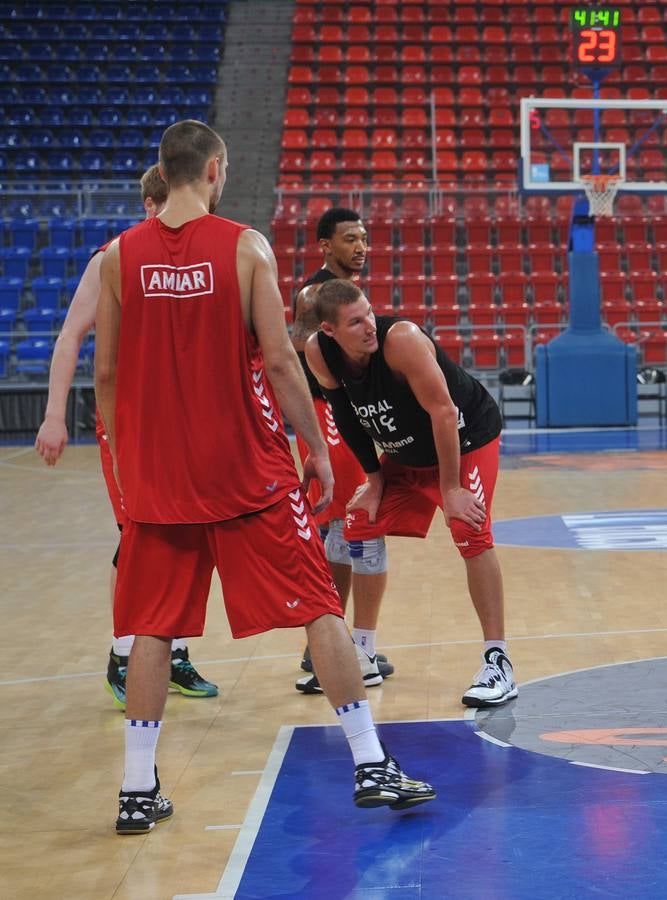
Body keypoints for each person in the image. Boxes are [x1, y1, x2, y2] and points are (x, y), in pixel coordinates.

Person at [94, 120, 434, 835]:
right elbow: (281, 361)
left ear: (165, 172)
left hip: (158, 476)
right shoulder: (245, 246)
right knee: (317, 605)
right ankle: (371, 762)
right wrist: (313, 445)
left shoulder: (120, 257)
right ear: (214, 170)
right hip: (248, 471)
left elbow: (106, 373)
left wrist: (124, 462)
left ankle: (133, 788)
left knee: (152, 628)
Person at [35, 165, 217, 709]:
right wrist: (53, 415)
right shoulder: (113, 257)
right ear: (146, 206)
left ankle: (174, 650)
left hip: (187, 421)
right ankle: (122, 652)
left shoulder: (201, 255)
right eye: (159, 208)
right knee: (140, 538)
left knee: (191, 534)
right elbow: (70, 336)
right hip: (130, 422)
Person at [304, 279, 517, 708]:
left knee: (468, 527)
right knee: (358, 521)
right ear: (330, 331)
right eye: (355, 321)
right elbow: (346, 414)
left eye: (369, 314)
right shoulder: (318, 351)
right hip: (406, 451)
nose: (369, 326)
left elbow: (444, 412)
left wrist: (452, 487)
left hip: (465, 439)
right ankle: (362, 651)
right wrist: (375, 478)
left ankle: (499, 662)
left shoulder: (400, 340)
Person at [289, 207, 394, 693]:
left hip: (343, 410)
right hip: (324, 410)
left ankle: (338, 642)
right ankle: (337, 646)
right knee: (352, 521)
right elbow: (295, 343)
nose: (361, 246)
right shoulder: (315, 294)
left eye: (365, 237)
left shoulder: (347, 293)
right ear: (325, 246)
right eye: (350, 238)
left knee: (342, 525)